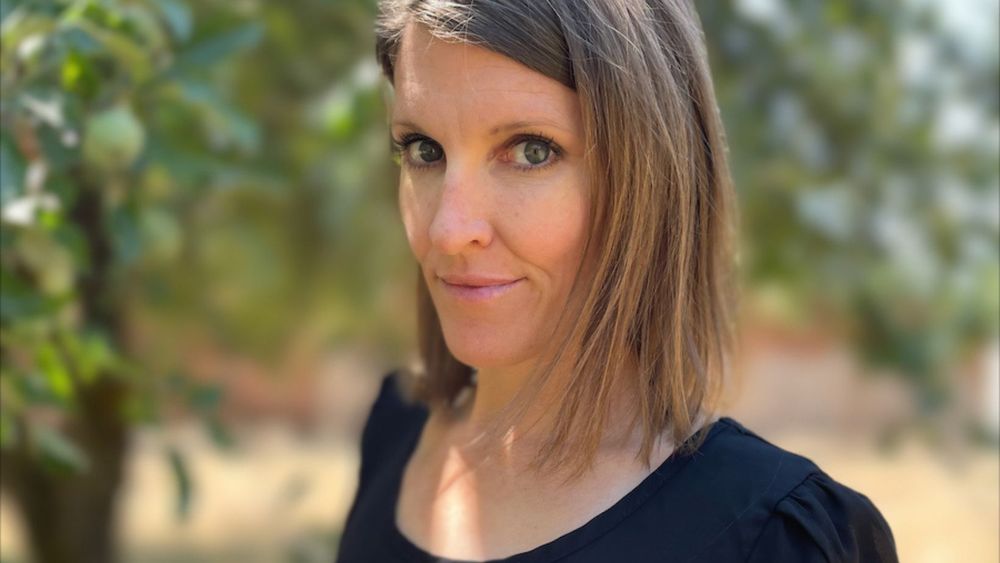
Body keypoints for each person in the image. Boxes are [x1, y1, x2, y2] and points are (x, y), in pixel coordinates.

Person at [336, 0, 899, 561]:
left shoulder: (776, 539)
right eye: (423, 149)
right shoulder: (396, 432)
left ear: (652, 181)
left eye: (532, 151)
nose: (449, 230)